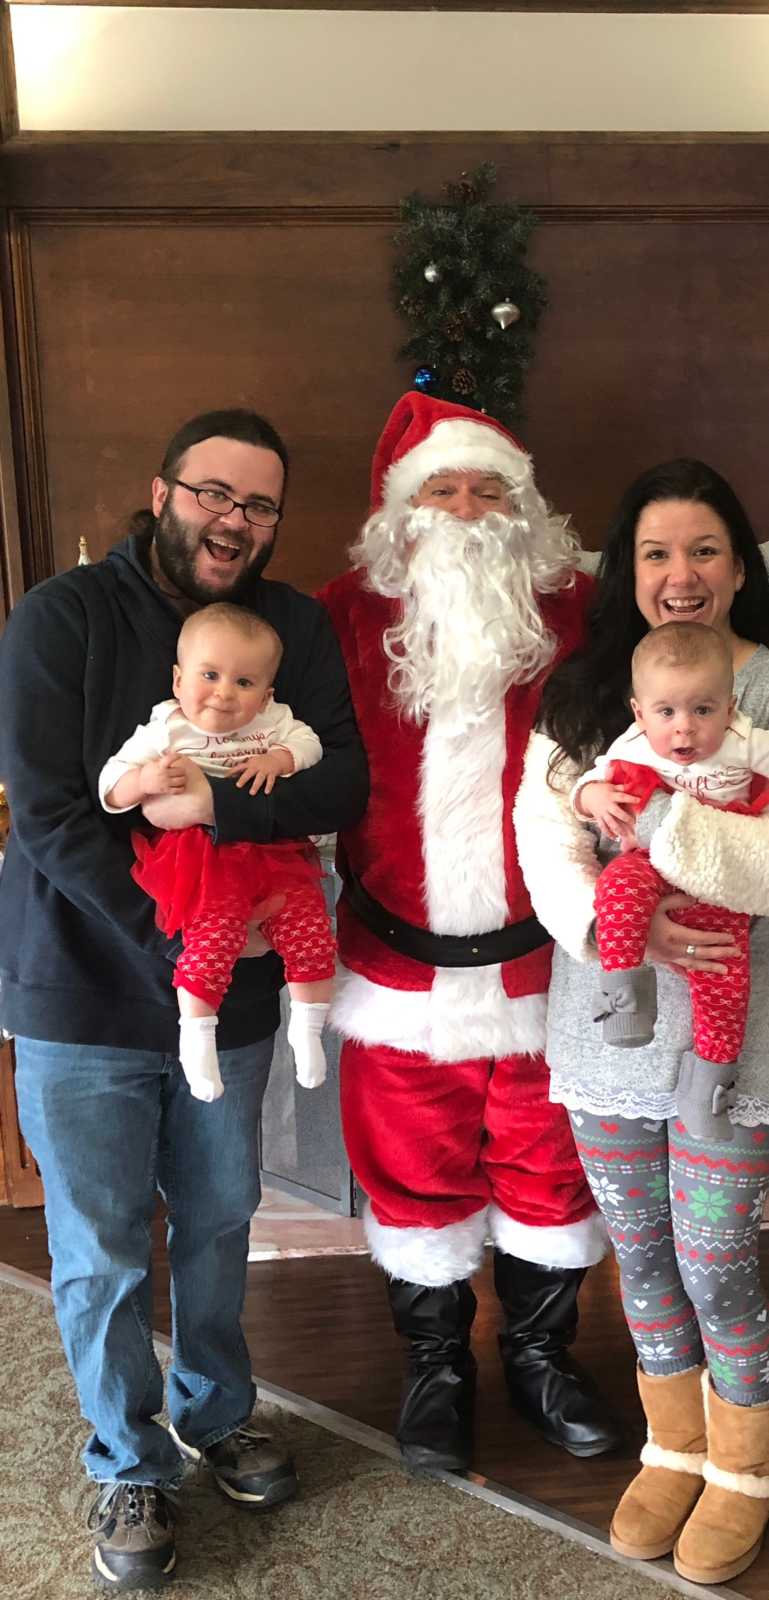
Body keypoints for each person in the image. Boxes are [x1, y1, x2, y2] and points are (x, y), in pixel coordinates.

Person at [0, 408, 368, 1592]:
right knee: (101, 1245)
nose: (235, 521)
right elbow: (52, 810)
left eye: (259, 504)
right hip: (80, 993)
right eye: (215, 492)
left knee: (219, 1217)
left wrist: (220, 814)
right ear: (163, 490)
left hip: (241, 992)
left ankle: (217, 1416)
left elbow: (343, 781)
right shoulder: (62, 616)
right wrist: (175, 935)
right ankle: (128, 1457)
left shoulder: (293, 626)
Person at [318, 390, 616, 1480]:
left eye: (487, 489)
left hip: (549, 966)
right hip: (394, 968)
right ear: (400, 514)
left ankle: (539, 1353)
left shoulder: (584, 611)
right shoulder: (338, 615)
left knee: (553, 1171)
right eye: (439, 490)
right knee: (410, 1175)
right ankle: (436, 1365)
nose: (465, 508)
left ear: (522, 505)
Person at [515, 458, 769, 1586]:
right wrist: (629, 924)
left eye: (704, 549)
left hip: (739, 1025)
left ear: (738, 564)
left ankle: (745, 1466)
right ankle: (673, 1445)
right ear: (627, 569)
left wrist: (682, 860)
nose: (680, 576)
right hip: (607, 1016)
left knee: (722, 1262)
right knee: (645, 1253)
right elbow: (545, 841)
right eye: (657, 553)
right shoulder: (585, 694)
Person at [100, 602, 335, 1102]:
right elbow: (110, 785)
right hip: (200, 854)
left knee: (309, 928)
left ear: (266, 694)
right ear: (178, 680)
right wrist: (142, 780)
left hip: (272, 851)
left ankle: (308, 1029)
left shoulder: (274, 722)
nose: (225, 694)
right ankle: (197, 1035)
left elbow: (311, 745)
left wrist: (280, 757)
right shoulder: (167, 727)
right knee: (213, 937)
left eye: (245, 683)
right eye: (210, 675)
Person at [579, 621, 769, 1139]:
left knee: (726, 996)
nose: (683, 729)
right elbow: (590, 782)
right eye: (666, 712)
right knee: (617, 886)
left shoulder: (747, 742)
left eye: (702, 710)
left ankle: (706, 1093)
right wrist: (592, 797)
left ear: (729, 709)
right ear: (640, 713)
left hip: (722, 889)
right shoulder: (634, 744)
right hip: (653, 869)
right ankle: (624, 1000)